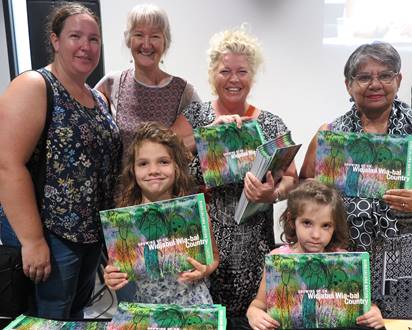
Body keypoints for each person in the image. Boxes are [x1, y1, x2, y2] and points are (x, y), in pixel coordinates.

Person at [0, 2, 121, 319]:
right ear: (55, 40)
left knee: (75, 314)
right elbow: (7, 165)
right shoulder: (34, 86)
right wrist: (32, 240)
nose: (86, 46)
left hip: (90, 235)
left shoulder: (96, 96)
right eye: (75, 36)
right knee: (48, 318)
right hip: (52, 234)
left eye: (94, 39)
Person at [174, 26, 298, 327]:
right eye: (225, 70)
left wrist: (274, 194)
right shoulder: (195, 118)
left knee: (251, 321)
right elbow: (168, 161)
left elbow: (292, 178)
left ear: (252, 76)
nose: (233, 79)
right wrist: (207, 136)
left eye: (242, 71)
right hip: (203, 246)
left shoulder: (270, 122)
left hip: (254, 247)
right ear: (211, 74)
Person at [300, 41, 412, 252]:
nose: (375, 84)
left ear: (398, 80)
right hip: (345, 259)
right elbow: (303, 185)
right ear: (348, 85)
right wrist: (314, 193)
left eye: (385, 75)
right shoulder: (330, 136)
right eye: (364, 77)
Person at [103, 122, 219, 304]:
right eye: (143, 163)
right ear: (132, 170)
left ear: (176, 167)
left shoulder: (192, 212)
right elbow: (116, 266)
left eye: (163, 162)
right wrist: (111, 276)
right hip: (149, 309)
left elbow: (213, 257)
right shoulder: (124, 220)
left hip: (194, 304)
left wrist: (206, 269)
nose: (153, 170)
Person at [246, 181, 384, 330]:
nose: (316, 235)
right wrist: (253, 313)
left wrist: (374, 312)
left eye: (326, 225)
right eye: (307, 223)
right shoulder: (278, 258)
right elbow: (259, 304)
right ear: (292, 221)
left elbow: (362, 304)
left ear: (335, 226)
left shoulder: (344, 260)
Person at [95, 3, 200, 162]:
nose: (146, 44)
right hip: (121, 187)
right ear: (129, 40)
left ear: (165, 42)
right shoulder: (111, 84)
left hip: (168, 186)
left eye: (155, 36)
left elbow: (205, 140)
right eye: (139, 35)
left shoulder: (184, 91)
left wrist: (223, 123)